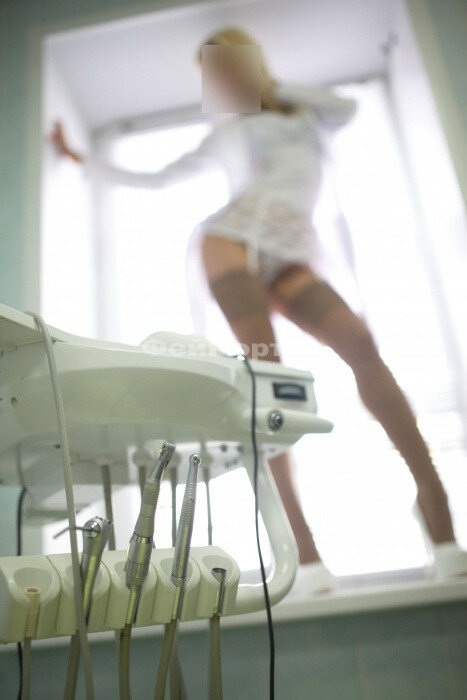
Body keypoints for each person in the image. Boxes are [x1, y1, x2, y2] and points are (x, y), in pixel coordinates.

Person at [50, 26, 467, 592]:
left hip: (292, 251)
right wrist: (80, 159)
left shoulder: (308, 114)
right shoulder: (228, 131)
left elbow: (346, 107)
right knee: (267, 377)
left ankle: (435, 505)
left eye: (225, 68)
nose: (220, 82)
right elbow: (156, 178)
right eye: (210, 76)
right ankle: (303, 550)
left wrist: (267, 85)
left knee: (361, 347)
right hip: (232, 240)